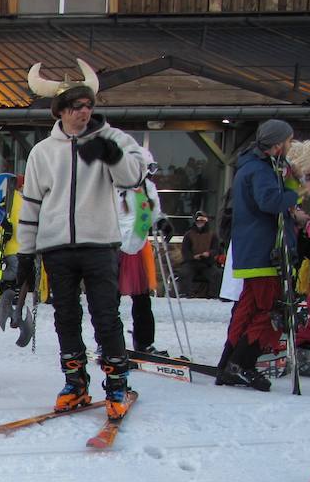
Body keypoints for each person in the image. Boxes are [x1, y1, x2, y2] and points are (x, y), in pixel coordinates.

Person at [19, 59, 148, 415]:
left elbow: (134, 178)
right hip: (56, 247)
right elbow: (31, 204)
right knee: (65, 316)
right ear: (60, 111)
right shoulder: (42, 152)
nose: (84, 113)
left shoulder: (111, 138)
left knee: (106, 315)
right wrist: (25, 255)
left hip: (99, 243)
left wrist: (113, 153)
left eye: (89, 106)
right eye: (76, 107)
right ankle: (74, 382)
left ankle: (117, 383)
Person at [216, 119, 302, 391]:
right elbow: (270, 202)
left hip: (252, 252)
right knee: (271, 310)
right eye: (288, 141)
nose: (290, 145)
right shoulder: (261, 170)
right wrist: (295, 190)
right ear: (277, 144)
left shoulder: (251, 166)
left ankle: (228, 363)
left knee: (248, 309)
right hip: (264, 253)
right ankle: (243, 363)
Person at [115, 152, 169, 354]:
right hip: (114, 246)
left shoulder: (147, 187)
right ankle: (108, 341)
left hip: (137, 246)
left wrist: (161, 221)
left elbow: (152, 210)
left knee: (142, 297)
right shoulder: (115, 186)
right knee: (110, 299)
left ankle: (144, 341)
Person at [177, 211, 222, 299]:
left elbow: (216, 249)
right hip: (192, 262)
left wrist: (208, 253)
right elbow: (185, 251)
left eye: (203, 221)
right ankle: (186, 294)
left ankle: (214, 295)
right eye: (199, 221)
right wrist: (193, 257)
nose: (200, 223)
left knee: (217, 274)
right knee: (184, 272)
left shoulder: (212, 235)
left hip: (207, 263)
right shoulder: (189, 235)